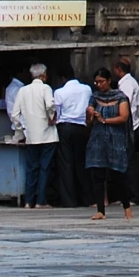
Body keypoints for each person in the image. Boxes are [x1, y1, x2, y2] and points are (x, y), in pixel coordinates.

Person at [85, 68, 134, 220]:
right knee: (97, 174)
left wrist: (105, 120)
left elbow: (123, 117)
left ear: (109, 81)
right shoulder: (94, 97)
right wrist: (90, 113)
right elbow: (88, 122)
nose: (99, 85)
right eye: (97, 82)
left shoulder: (120, 97)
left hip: (116, 139)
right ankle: (100, 210)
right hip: (98, 140)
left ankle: (126, 207)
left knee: (118, 175)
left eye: (102, 81)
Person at [12, 63, 60, 209]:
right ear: (44, 75)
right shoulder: (46, 88)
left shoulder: (22, 90)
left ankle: (28, 201)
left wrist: (21, 131)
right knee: (44, 168)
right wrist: (52, 117)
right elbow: (50, 105)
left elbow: (15, 115)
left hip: (31, 135)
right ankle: (41, 201)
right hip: (47, 134)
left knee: (31, 168)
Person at [53, 67, 94, 206]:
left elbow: (57, 113)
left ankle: (69, 200)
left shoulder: (59, 92)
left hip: (65, 126)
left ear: (62, 79)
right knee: (81, 162)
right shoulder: (86, 89)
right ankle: (87, 198)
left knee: (66, 164)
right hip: (81, 126)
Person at [115, 54, 139, 206]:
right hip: (130, 125)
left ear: (118, 69)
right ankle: (127, 194)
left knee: (129, 163)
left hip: (128, 126)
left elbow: (124, 104)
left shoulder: (127, 84)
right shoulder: (129, 82)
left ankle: (134, 196)